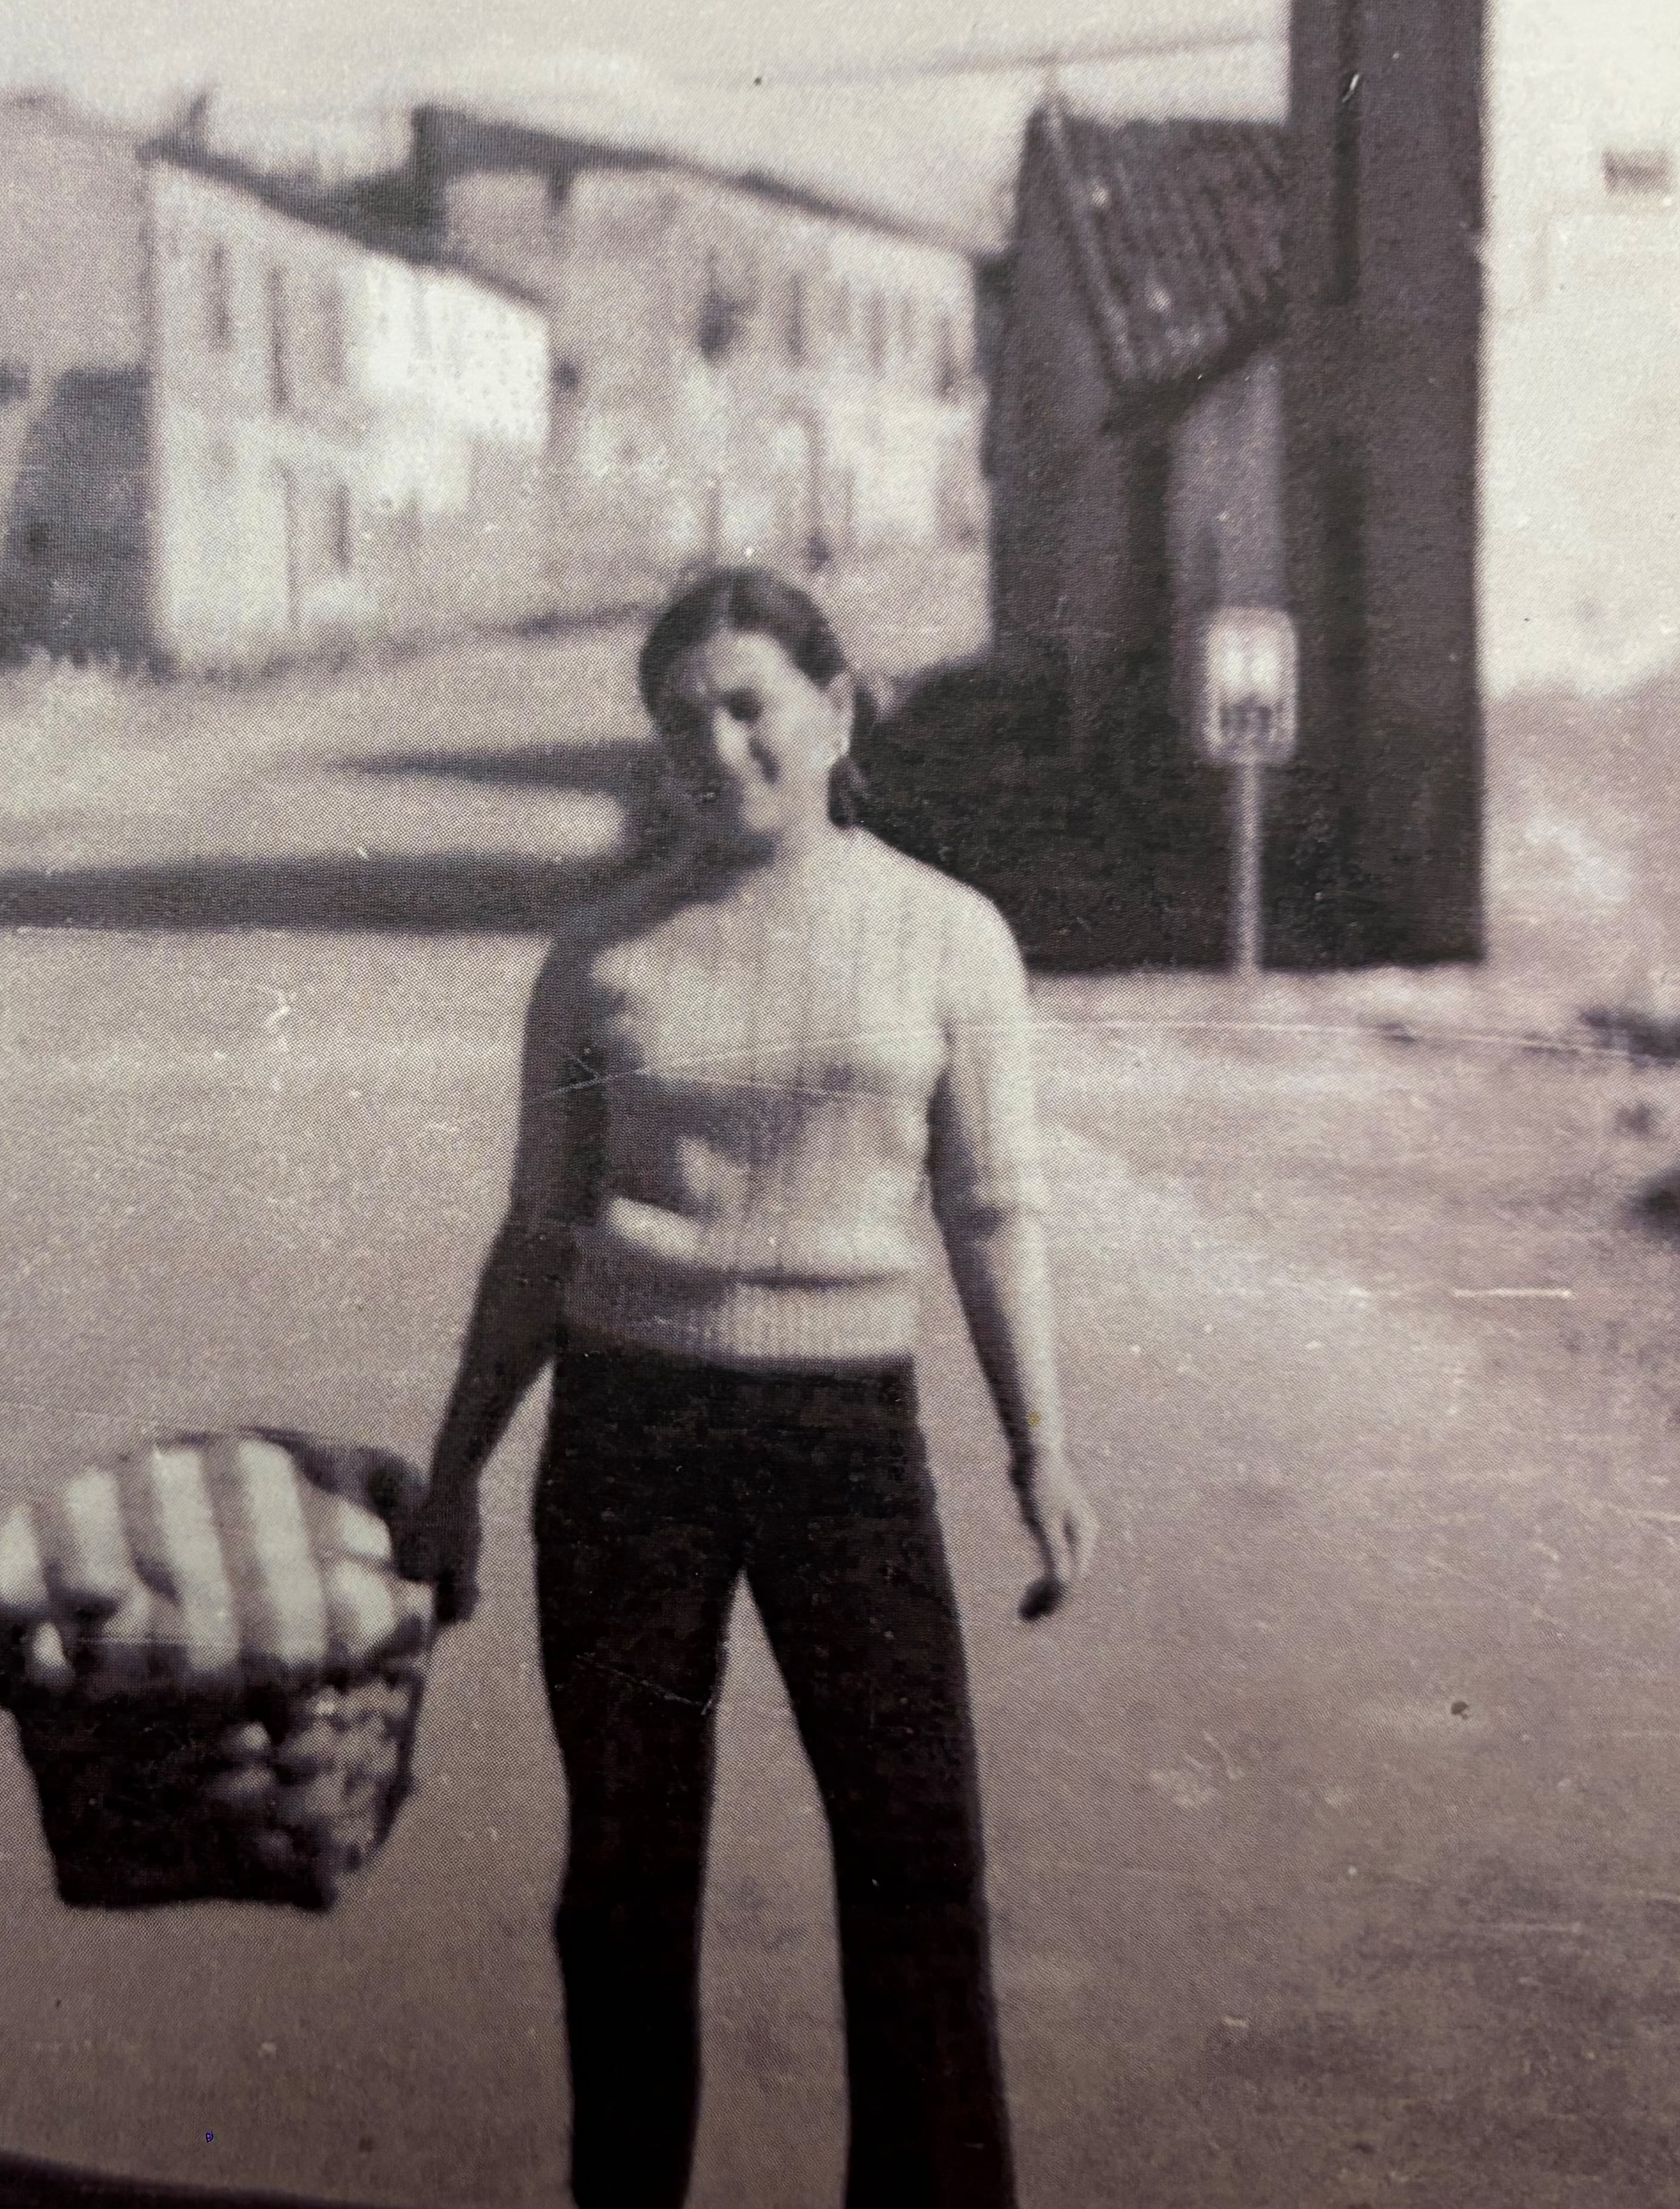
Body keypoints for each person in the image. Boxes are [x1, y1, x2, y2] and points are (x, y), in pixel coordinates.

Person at [400, 566, 1098, 2209]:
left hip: (847, 1438)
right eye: (678, 722)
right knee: (627, 1872)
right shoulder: (599, 957)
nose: (715, 749)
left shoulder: (950, 937)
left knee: (917, 1855)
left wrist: (1040, 1449)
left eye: (746, 707)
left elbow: (994, 1212)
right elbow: (537, 1234)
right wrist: (455, 1472)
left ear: (836, 712)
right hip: (626, 1435)